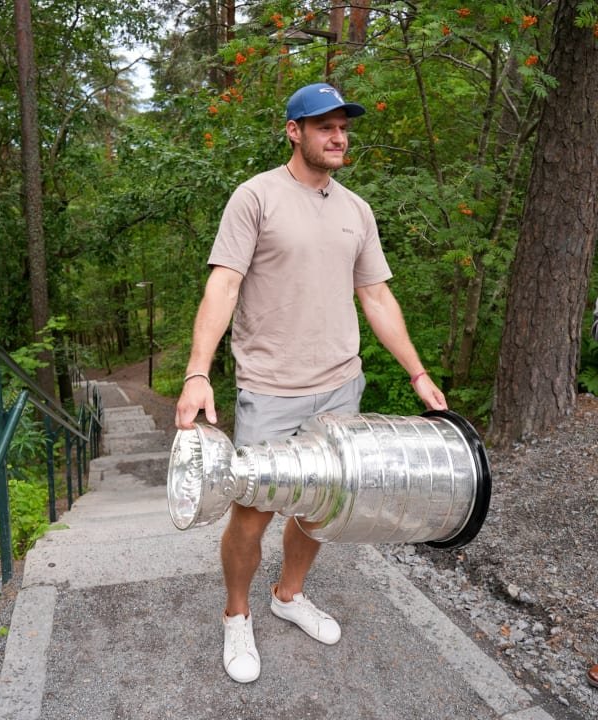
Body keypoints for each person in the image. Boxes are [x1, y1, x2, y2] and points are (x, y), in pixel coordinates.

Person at [174, 82, 447, 683]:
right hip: (270, 387)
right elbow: (222, 286)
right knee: (253, 514)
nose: (339, 136)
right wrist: (198, 372)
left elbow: (375, 295)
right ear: (294, 131)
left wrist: (417, 372)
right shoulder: (256, 198)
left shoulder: (356, 211)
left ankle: (289, 594)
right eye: (324, 126)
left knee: (322, 506)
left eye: (343, 126)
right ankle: (236, 614)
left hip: (340, 387)